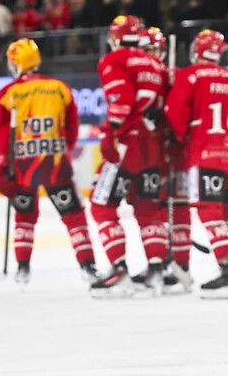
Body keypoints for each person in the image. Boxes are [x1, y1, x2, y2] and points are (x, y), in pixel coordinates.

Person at [0, 38, 98, 285]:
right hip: (55, 164)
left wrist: (2, 167)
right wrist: (60, 151)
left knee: (24, 216)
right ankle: (87, 267)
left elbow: (1, 135)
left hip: (22, 166)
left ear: (17, 64)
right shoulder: (60, 88)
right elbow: (71, 129)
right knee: (74, 216)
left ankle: (22, 269)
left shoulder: (7, 94)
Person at [164, 29, 228, 299]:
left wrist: (181, 139)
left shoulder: (190, 75)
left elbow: (175, 114)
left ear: (196, 50)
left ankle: (226, 272)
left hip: (206, 154)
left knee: (209, 211)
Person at [89, 15, 169, 298]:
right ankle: (156, 271)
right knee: (149, 210)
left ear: (114, 38)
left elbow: (120, 100)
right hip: (154, 147)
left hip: (126, 144)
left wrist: (111, 134)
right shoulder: (157, 64)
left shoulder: (114, 60)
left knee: (101, 203)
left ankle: (119, 269)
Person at [134, 26, 194, 294]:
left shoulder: (176, 75)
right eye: (144, 50)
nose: (148, 55)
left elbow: (187, 111)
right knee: (155, 207)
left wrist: (170, 117)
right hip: (153, 154)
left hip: (178, 150)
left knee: (178, 206)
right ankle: (159, 261)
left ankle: (181, 264)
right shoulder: (140, 78)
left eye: (151, 50)